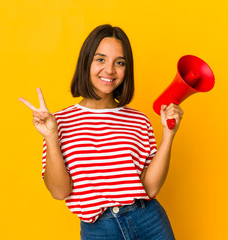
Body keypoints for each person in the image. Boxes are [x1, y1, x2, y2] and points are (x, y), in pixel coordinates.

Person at [19, 24, 183, 240]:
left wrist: (168, 134)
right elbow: (59, 192)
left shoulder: (138, 120)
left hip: (149, 222)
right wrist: (51, 137)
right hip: (100, 230)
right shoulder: (59, 122)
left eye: (120, 62)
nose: (110, 70)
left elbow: (150, 188)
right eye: (101, 59)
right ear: (86, 62)